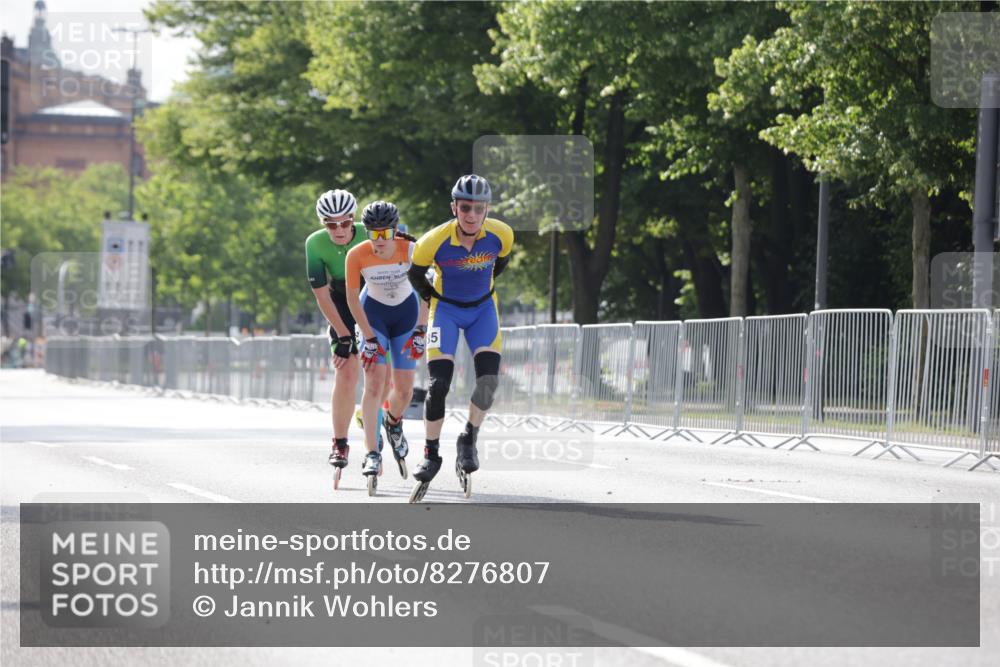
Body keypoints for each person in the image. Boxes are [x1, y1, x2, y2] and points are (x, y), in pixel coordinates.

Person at [406, 174, 514, 501]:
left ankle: (468, 438)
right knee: (438, 385)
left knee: (488, 382)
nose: (471, 214)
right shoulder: (432, 241)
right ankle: (431, 452)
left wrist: (478, 287)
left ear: (487, 209)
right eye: (465, 207)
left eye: (478, 208)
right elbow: (415, 274)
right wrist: (433, 299)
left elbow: (500, 265)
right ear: (454, 207)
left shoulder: (502, 235)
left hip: (483, 310)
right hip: (447, 311)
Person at [345, 201, 427, 491]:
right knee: (374, 385)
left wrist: (420, 329)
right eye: (372, 234)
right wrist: (367, 337)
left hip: (406, 317)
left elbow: (427, 293)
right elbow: (353, 299)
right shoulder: (357, 255)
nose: (379, 241)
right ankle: (371, 453)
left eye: (385, 234)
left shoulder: (411, 249)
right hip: (373, 317)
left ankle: (393, 423)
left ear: (396, 230)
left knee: (404, 390)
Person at [304, 189, 367, 485]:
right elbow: (321, 295)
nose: (339, 230)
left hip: (373, 296)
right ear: (323, 224)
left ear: (354, 220)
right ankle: (339, 442)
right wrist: (343, 335)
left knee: (383, 371)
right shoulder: (314, 244)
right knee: (346, 372)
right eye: (331, 224)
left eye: (345, 223)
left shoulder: (370, 233)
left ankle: (376, 412)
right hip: (340, 300)